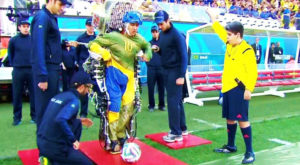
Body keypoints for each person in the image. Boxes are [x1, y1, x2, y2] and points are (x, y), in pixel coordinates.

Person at [88, 11, 152, 154]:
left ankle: (121, 135)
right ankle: (113, 139)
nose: (135, 28)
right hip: (113, 77)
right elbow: (92, 44)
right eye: (133, 25)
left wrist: (147, 55)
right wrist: (103, 53)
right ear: (125, 24)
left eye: (137, 25)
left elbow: (147, 46)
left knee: (128, 109)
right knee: (114, 108)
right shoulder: (113, 37)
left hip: (129, 79)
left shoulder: (139, 39)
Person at [206, 9, 258, 164]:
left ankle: (250, 152)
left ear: (238, 35)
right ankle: (231, 146)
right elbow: (220, 32)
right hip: (227, 88)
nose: (227, 37)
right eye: (227, 35)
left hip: (240, 90)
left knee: (242, 120)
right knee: (230, 118)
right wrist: (213, 19)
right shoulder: (230, 44)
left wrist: (249, 89)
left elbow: (253, 72)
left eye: (230, 35)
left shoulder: (247, 50)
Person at [37, 71, 94, 165]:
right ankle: (57, 158)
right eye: (88, 87)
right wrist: (73, 140)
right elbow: (61, 119)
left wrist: (80, 120)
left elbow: (53, 118)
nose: (88, 91)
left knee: (77, 123)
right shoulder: (74, 100)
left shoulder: (60, 96)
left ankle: (49, 159)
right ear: (82, 86)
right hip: (55, 148)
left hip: (42, 144)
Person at [31, 0, 71, 129]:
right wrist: (42, 76)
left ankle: (49, 144)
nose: (63, 8)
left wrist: (63, 45)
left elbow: (49, 44)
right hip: (46, 70)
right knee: (44, 111)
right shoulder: (42, 17)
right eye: (61, 4)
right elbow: (38, 47)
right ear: (52, 1)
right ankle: (44, 147)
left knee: (51, 110)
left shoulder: (50, 17)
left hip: (52, 68)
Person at [153, 10, 188, 143]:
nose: (159, 27)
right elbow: (165, 52)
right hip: (166, 70)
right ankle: (183, 128)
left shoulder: (177, 35)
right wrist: (158, 50)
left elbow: (184, 56)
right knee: (177, 101)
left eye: (161, 24)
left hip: (175, 71)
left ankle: (175, 133)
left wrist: (181, 75)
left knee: (173, 102)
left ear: (168, 20)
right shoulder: (162, 34)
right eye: (158, 24)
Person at [8, 19, 35, 126]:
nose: (26, 28)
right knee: (17, 94)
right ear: (19, 27)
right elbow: (11, 54)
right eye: (23, 26)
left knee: (34, 94)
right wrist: (15, 63)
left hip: (31, 69)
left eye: (27, 26)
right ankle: (17, 118)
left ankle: (34, 116)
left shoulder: (33, 39)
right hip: (18, 69)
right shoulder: (14, 40)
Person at [75, 18, 96, 118]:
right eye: (89, 25)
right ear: (86, 26)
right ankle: (83, 112)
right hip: (84, 67)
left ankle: (99, 110)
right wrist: (78, 64)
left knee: (98, 89)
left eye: (92, 25)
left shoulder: (99, 38)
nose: (91, 27)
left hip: (96, 66)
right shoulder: (80, 38)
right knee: (83, 90)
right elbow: (76, 52)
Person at [147, 25, 165, 112]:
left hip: (161, 68)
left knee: (161, 88)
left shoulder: (163, 43)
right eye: (153, 32)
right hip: (151, 69)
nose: (154, 33)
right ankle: (151, 105)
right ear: (151, 33)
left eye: (156, 31)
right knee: (151, 88)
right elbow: (145, 56)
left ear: (159, 32)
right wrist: (149, 64)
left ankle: (162, 105)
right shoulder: (148, 44)